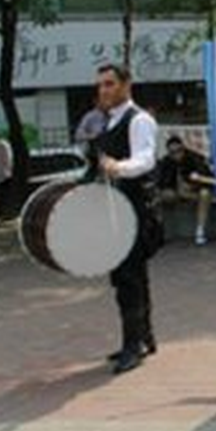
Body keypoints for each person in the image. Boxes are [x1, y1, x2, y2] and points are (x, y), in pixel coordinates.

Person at [84, 64, 164, 375]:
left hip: (136, 211)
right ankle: (143, 338)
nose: (103, 90)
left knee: (129, 279)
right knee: (127, 278)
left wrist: (119, 167)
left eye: (109, 83)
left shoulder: (139, 120)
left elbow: (145, 159)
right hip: (116, 209)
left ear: (126, 85)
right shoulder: (108, 121)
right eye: (100, 85)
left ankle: (135, 345)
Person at [157, 135, 215, 245]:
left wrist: (192, 185)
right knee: (160, 196)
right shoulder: (166, 162)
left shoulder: (195, 158)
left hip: (194, 192)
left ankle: (200, 230)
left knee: (205, 194)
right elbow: (160, 183)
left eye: (179, 151)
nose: (176, 155)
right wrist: (173, 187)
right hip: (175, 192)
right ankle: (160, 231)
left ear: (183, 148)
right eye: (172, 152)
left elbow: (207, 179)